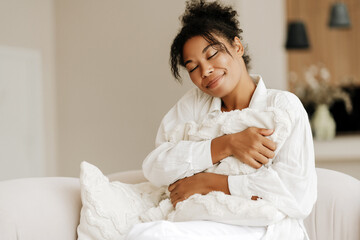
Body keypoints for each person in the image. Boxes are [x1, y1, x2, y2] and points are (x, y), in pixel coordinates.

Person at [127, 0, 317, 239]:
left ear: (237, 46)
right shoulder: (195, 104)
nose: (205, 71)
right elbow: (155, 167)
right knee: (144, 233)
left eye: (212, 54)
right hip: (200, 221)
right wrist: (225, 144)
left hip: (264, 229)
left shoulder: (281, 107)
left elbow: (297, 195)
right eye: (193, 67)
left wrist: (208, 182)